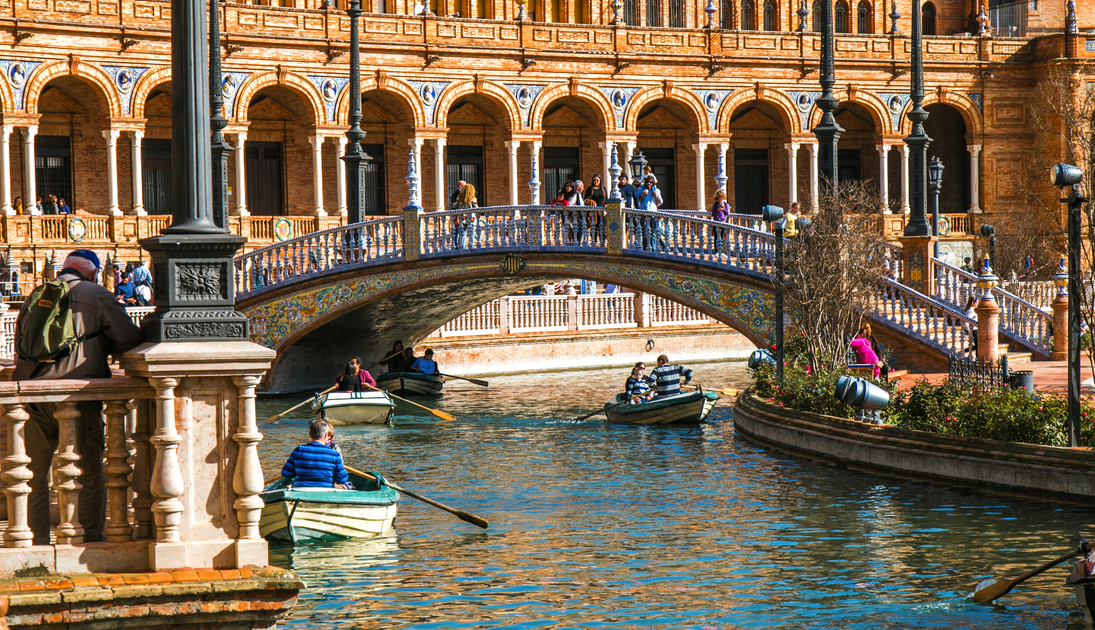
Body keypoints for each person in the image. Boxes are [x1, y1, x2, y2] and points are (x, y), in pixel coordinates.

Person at [13, 249, 144, 544]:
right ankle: (87, 538)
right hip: (76, 394)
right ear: (94, 272)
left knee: (33, 473)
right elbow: (129, 340)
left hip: (30, 394)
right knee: (87, 469)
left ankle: (35, 541)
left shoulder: (36, 294)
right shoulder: (96, 294)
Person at [281, 419, 351, 489]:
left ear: (309, 434)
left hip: (301, 490)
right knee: (348, 486)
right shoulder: (334, 454)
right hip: (325, 491)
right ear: (326, 435)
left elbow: (286, 473)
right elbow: (342, 479)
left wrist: (300, 472)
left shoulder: (298, 450)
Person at [453, 183, 478, 249]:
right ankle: (471, 247)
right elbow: (476, 208)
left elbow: (454, 205)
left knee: (462, 234)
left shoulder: (460, 198)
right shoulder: (473, 199)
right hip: (471, 218)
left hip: (462, 218)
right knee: (471, 234)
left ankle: (462, 248)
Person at [711, 190, 730, 258]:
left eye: (721, 199)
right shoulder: (715, 204)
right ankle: (716, 252)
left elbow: (727, 213)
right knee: (716, 237)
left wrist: (723, 208)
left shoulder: (725, 204)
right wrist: (717, 210)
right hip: (716, 222)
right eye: (719, 199)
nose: (720, 200)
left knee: (722, 237)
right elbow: (713, 214)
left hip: (723, 222)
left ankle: (722, 252)